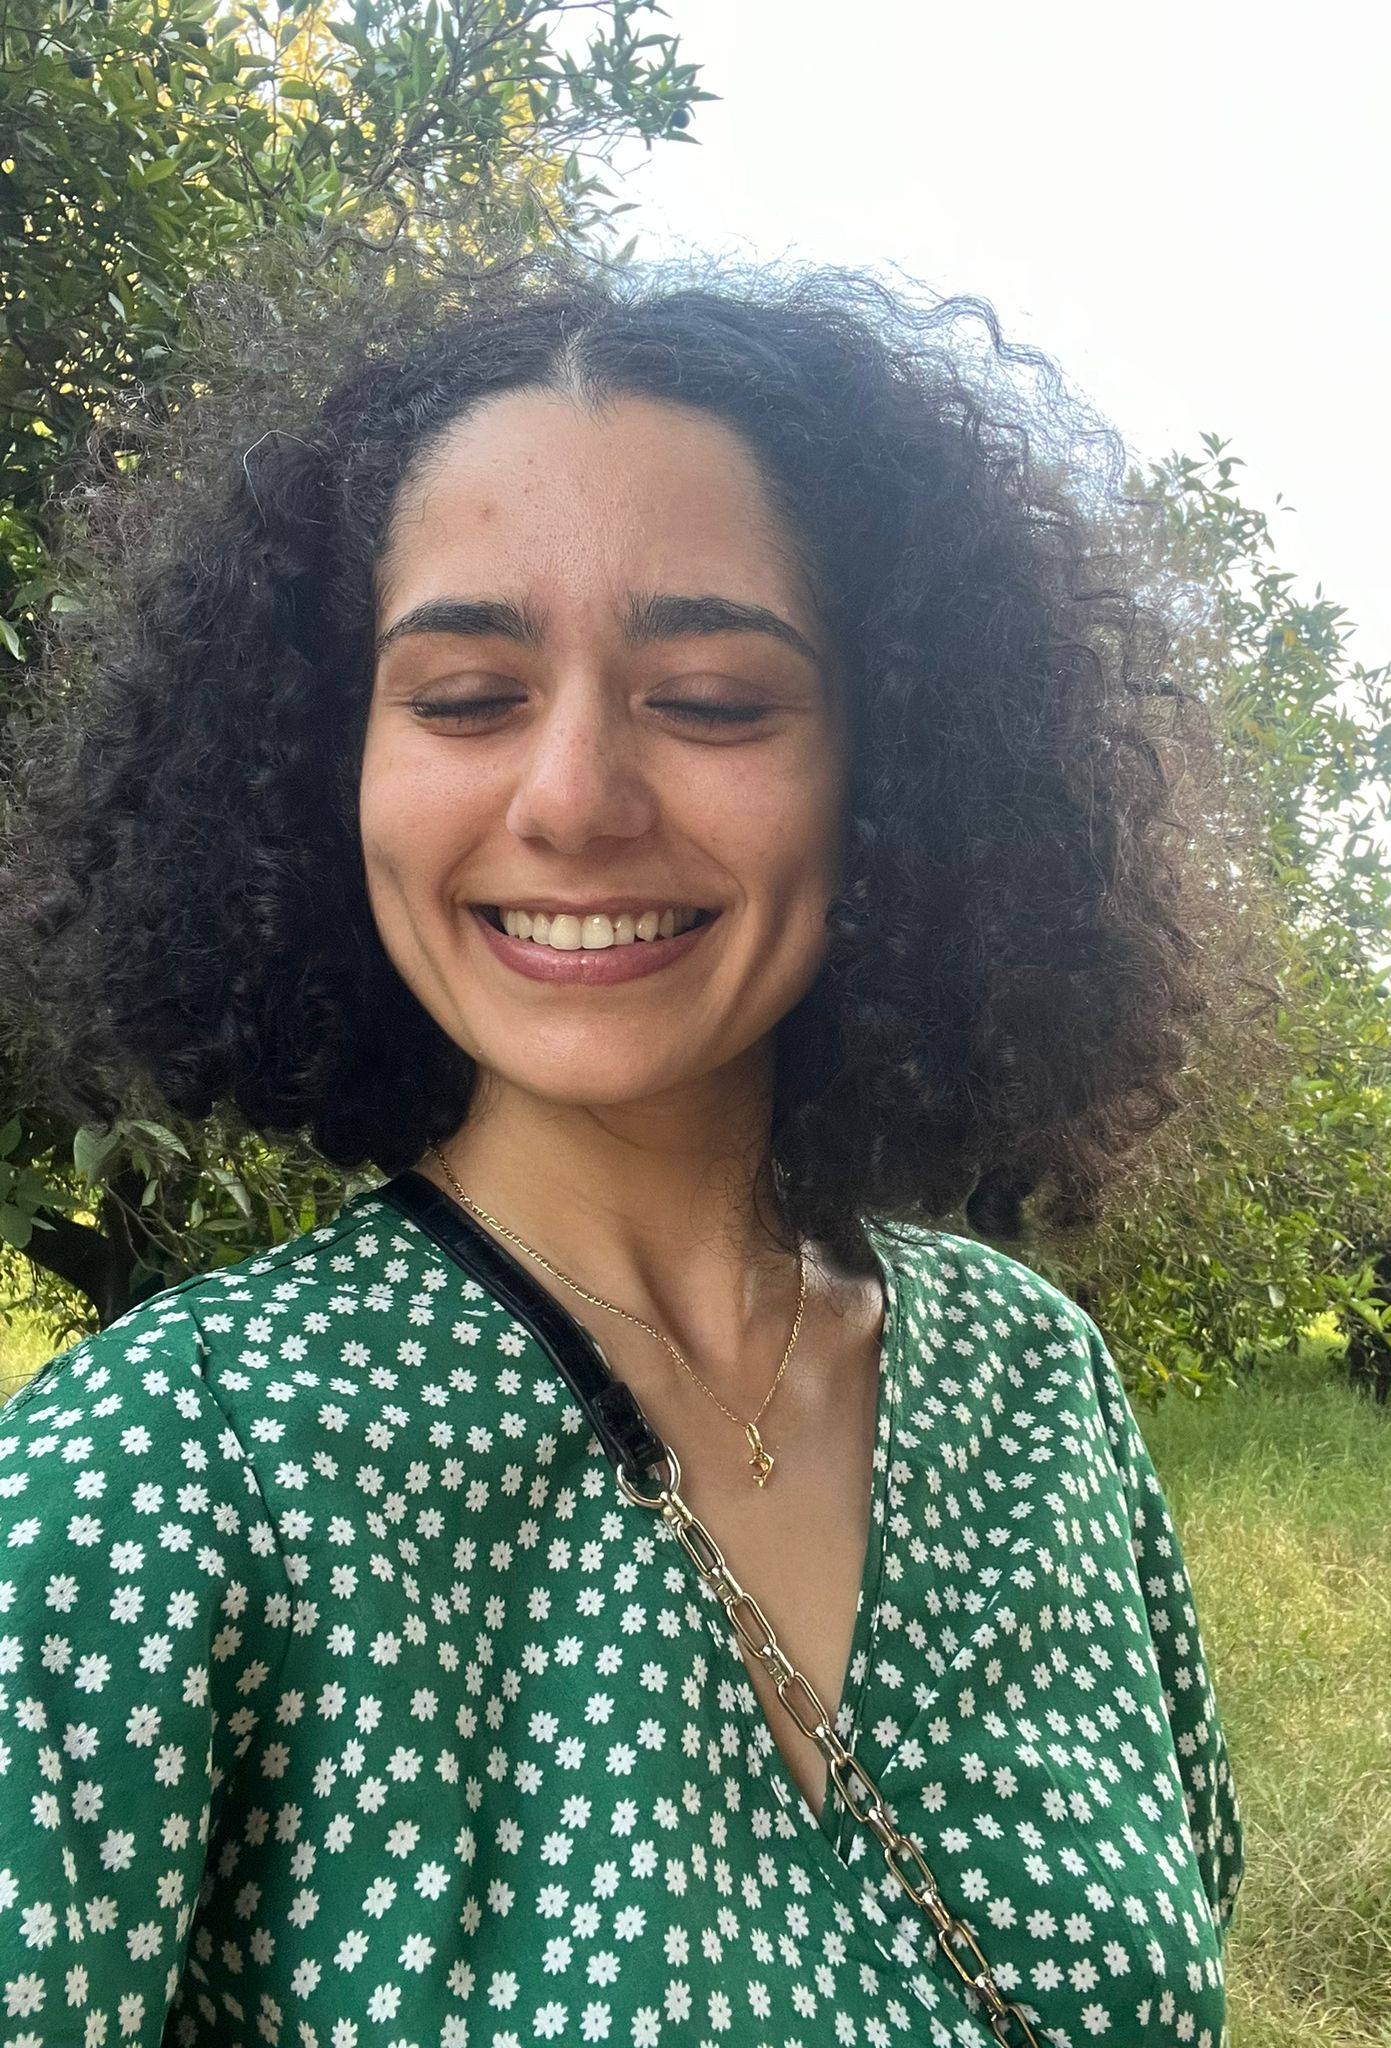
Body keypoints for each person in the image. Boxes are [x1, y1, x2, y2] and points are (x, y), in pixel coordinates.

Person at [0, 267, 1243, 2048]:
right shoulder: (150, 1483)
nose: (574, 797)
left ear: (890, 780)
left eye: (718, 701)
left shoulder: (1034, 1388)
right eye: (465, 695)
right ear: (313, 770)